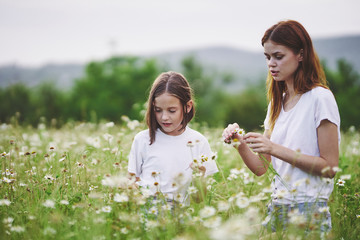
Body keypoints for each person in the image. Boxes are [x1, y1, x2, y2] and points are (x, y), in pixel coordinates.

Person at [222, 20, 340, 233]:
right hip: (277, 207)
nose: (271, 64)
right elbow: (261, 168)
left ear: (301, 55)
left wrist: (275, 148)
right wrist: (239, 144)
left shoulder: (320, 98)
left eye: (278, 56)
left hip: (309, 211)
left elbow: (329, 168)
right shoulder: (277, 103)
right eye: (267, 57)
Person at [128, 71, 218, 206]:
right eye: (158, 110)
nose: (164, 117)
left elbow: (199, 199)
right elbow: (131, 183)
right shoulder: (142, 140)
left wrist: (199, 177)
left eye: (171, 111)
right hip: (147, 210)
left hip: (179, 213)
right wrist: (133, 189)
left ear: (187, 107)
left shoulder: (198, 142)